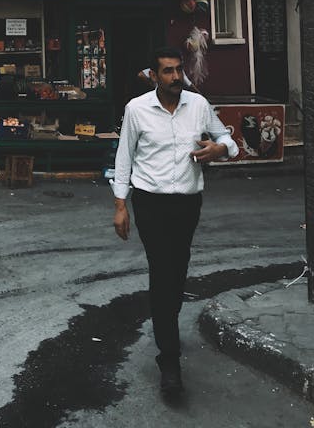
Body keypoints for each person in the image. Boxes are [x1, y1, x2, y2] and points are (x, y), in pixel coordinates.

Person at [112, 46, 238, 397]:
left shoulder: (198, 105)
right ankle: (169, 359)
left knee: (177, 268)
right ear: (153, 76)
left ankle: (166, 321)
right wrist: (120, 205)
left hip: (187, 203)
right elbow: (124, 158)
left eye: (178, 70)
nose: (174, 77)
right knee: (161, 268)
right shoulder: (136, 110)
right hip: (150, 203)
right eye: (167, 71)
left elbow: (229, 139)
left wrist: (219, 149)